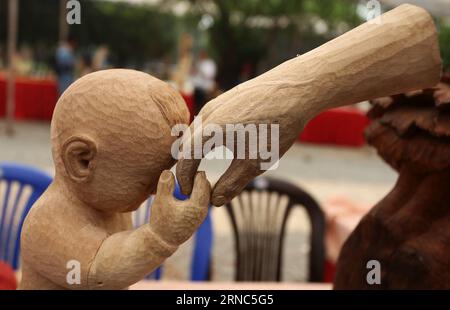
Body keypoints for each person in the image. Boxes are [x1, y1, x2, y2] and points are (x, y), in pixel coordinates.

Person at [192, 50, 217, 114]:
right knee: (197, 106)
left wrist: (200, 69)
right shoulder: (199, 63)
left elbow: (209, 75)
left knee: (202, 105)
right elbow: (195, 76)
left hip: (205, 88)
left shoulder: (209, 64)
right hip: (198, 88)